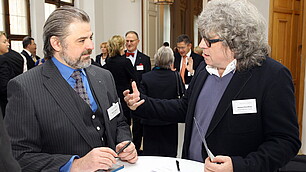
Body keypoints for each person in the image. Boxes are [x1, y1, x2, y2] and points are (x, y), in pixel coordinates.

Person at [123, 0, 301, 171]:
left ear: (235, 42)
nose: (201, 46)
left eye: (208, 41)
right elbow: (185, 108)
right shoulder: (204, 68)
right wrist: (143, 103)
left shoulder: (272, 76)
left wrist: (239, 166)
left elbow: (286, 141)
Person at [4, 6, 137, 172]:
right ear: (57, 43)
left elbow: (119, 122)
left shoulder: (104, 77)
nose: (90, 46)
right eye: (81, 40)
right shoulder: (25, 88)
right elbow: (19, 155)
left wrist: (124, 142)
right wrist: (75, 164)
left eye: (90, 37)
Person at [140, 46, 184, 157]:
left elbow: (141, 102)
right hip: (169, 122)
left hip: (150, 122)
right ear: (171, 61)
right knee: (169, 157)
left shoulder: (146, 77)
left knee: (150, 157)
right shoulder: (176, 77)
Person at [125, 30, 151, 154]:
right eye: (127, 41)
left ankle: (136, 149)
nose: (129, 43)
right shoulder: (120, 58)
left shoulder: (145, 59)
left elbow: (147, 79)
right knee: (124, 123)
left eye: (131, 41)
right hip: (123, 96)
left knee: (137, 125)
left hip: (138, 96)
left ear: (138, 42)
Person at [105, 35, 137, 126]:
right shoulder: (125, 62)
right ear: (120, 47)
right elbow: (135, 78)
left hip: (111, 96)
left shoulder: (108, 61)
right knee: (125, 124)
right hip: (124, 97)